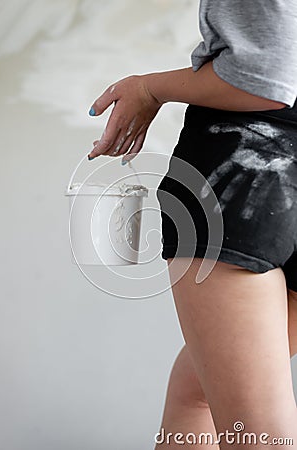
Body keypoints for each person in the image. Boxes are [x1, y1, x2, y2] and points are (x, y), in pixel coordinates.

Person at [87, 1, 297, 448]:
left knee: (259, 437)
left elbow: (265, 78)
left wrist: (149, 89)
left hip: (245, 175)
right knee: (196, 392)